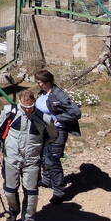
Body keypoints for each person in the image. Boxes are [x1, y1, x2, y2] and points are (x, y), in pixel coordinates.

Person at [0, 89, 53, 221]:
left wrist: (39, 149)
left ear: (34, 103)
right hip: (11, 159)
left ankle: (28, 218)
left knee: (31, 192)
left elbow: (52, 136)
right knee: (10, 190)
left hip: (32, 161)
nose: (27, 110)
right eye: (24, 107)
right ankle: (13, 211)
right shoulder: (9, 112)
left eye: (30, 106)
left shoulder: (44, 119)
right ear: (20, 102)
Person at [35, 69, 82, 203]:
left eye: (39, 82)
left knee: (52, 160)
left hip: (57, 132)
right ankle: (47, 180)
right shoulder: (43, 92)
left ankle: (59, 192)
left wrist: (58, 118)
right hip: (44, 131)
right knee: (43, 157)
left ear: (47, 82)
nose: (38, 84)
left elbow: (76, 112)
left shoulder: (59, 95)